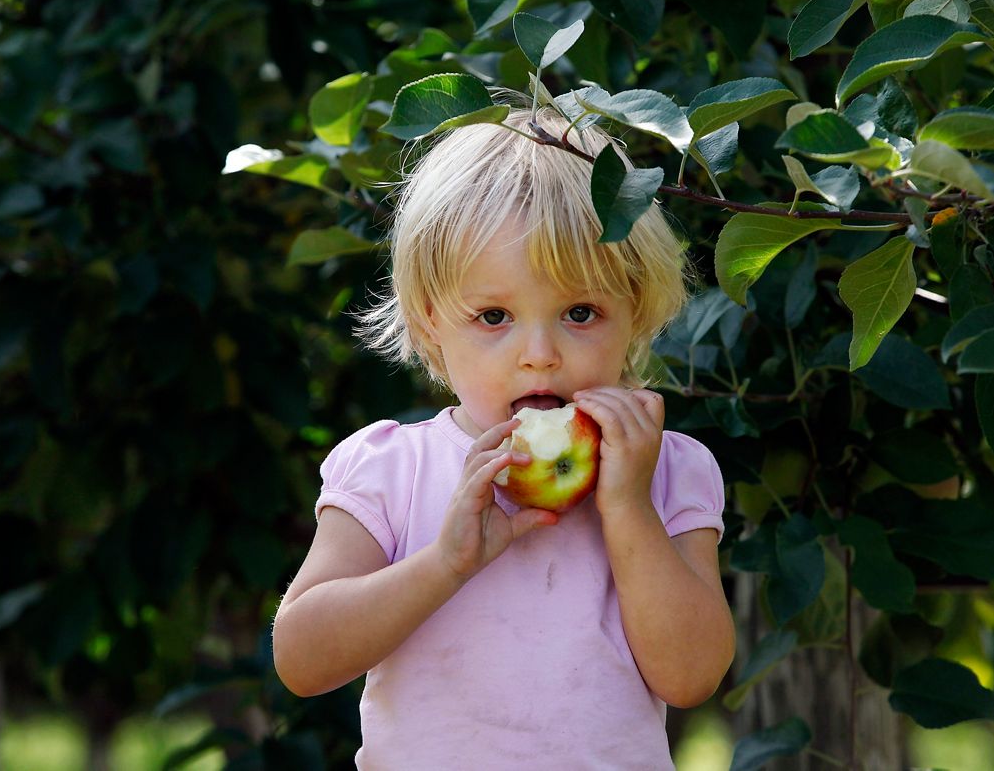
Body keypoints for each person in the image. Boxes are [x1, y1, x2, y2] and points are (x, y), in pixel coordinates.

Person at [271, 103, 736, 769]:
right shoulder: (392, 469)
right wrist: (444, 563)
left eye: (581, 312)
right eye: (494, 316)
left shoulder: (663, 468)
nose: (540, 354)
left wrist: (628, 507)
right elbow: (303, 660)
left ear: (634, 309)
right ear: (431, 322)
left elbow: (691, 676)